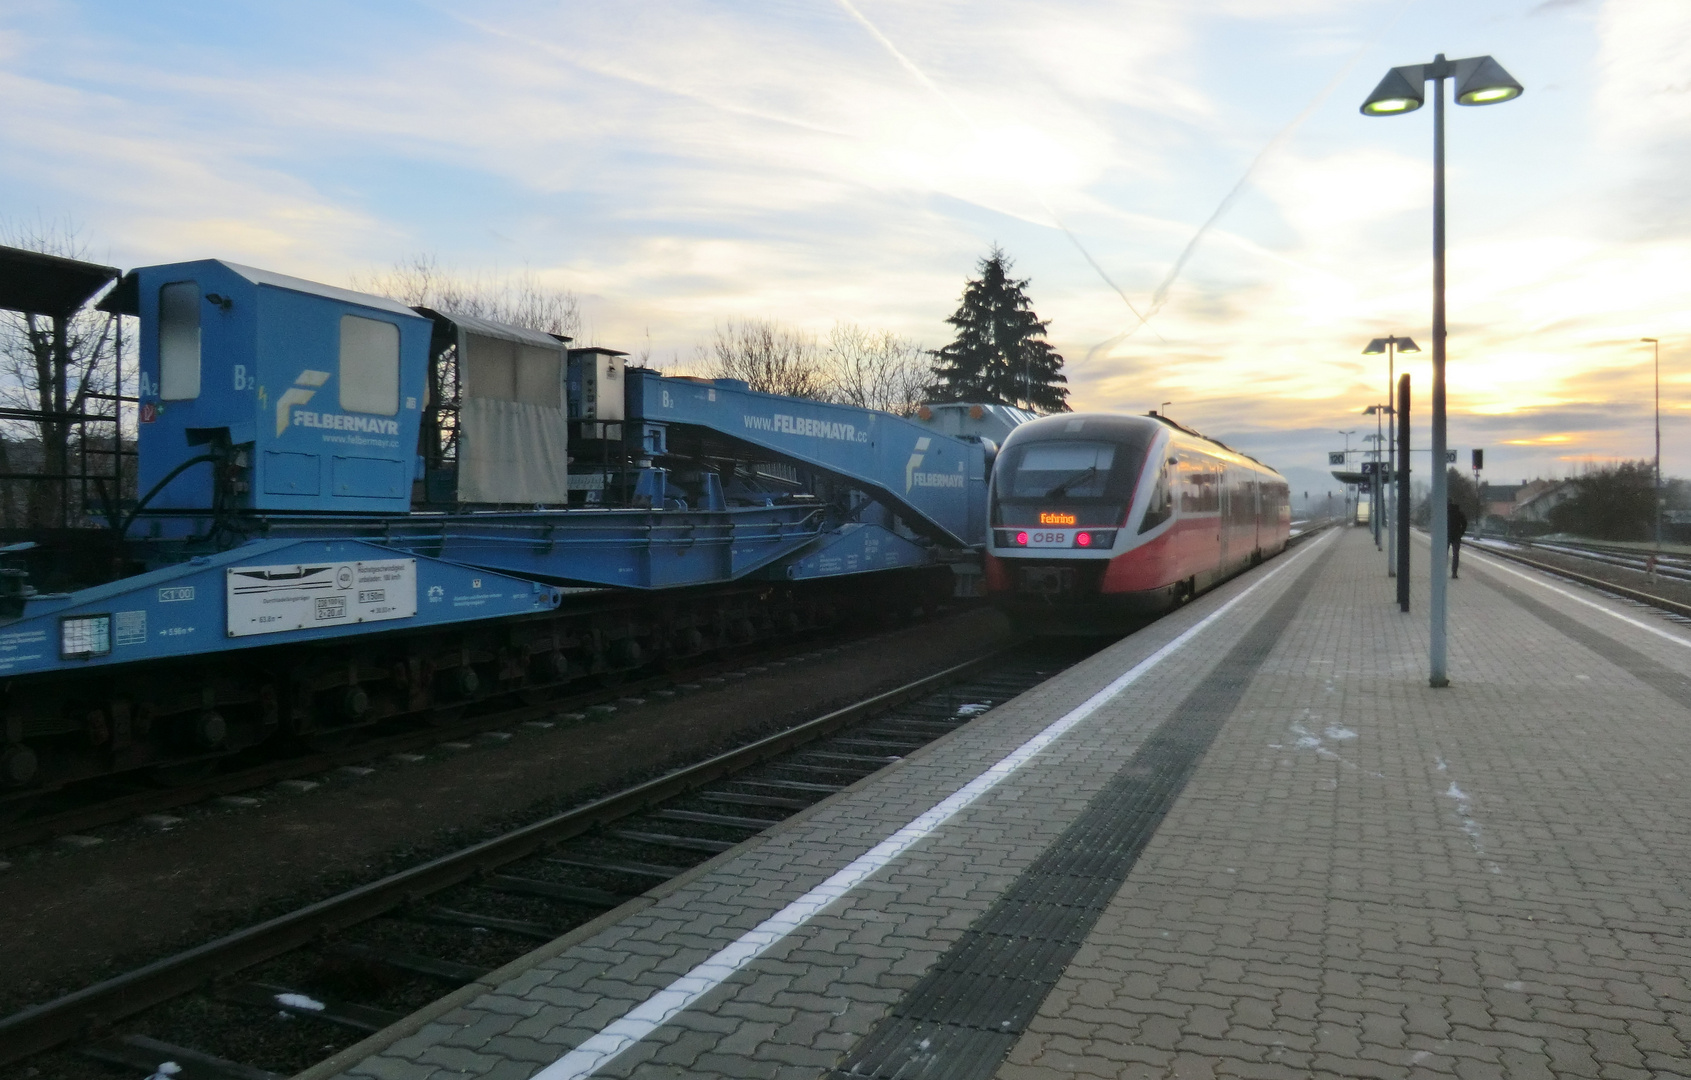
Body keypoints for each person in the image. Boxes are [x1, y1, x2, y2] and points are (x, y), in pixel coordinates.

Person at [1448, 500, 1468, 578]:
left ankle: (1442, 570)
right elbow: (1465, 523)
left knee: (1443, 554)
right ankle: (1454, 572)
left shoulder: (1447, 513)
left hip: (1447, 535)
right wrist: (1461, 532)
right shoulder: (1459, 513)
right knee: (1455, 555)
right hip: (1456, 536)